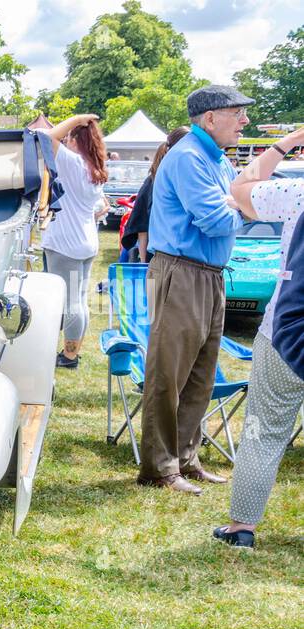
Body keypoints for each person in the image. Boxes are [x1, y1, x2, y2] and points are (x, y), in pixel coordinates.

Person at [136, 84, 252, 494]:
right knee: (168, 373)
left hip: (207, 274)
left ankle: (185, 458)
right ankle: (159, 467)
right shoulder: (188, 158)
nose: (245, 121)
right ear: (209, 118)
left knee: (200, 375)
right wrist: (240, 206)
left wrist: (236, 204)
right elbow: (218, 221)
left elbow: (239, 202)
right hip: (180, 273)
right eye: (237, 113)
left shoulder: (215, 160)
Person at [211, 123, 304, 546]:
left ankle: (242, 526)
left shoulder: (296, 193)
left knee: (264, 431)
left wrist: (287, 143)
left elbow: (241, 187)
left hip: (290, 332)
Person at [39, 113, 108, 369]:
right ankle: (72, 352)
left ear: (77, 140)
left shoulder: (72, 163)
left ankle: (69, 357)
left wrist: (77, 118)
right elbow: (100, 208)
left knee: (71, 303)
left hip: (66, 244)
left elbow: (47, 137)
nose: (65, 141)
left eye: (69, 138)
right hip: (86, 240)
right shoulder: (95, 169)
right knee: (79, 300)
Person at [121, 126, 189, 263]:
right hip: (159, 258)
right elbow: (142, 226)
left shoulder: (186, 181)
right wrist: (144, 262)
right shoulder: (153, 183)